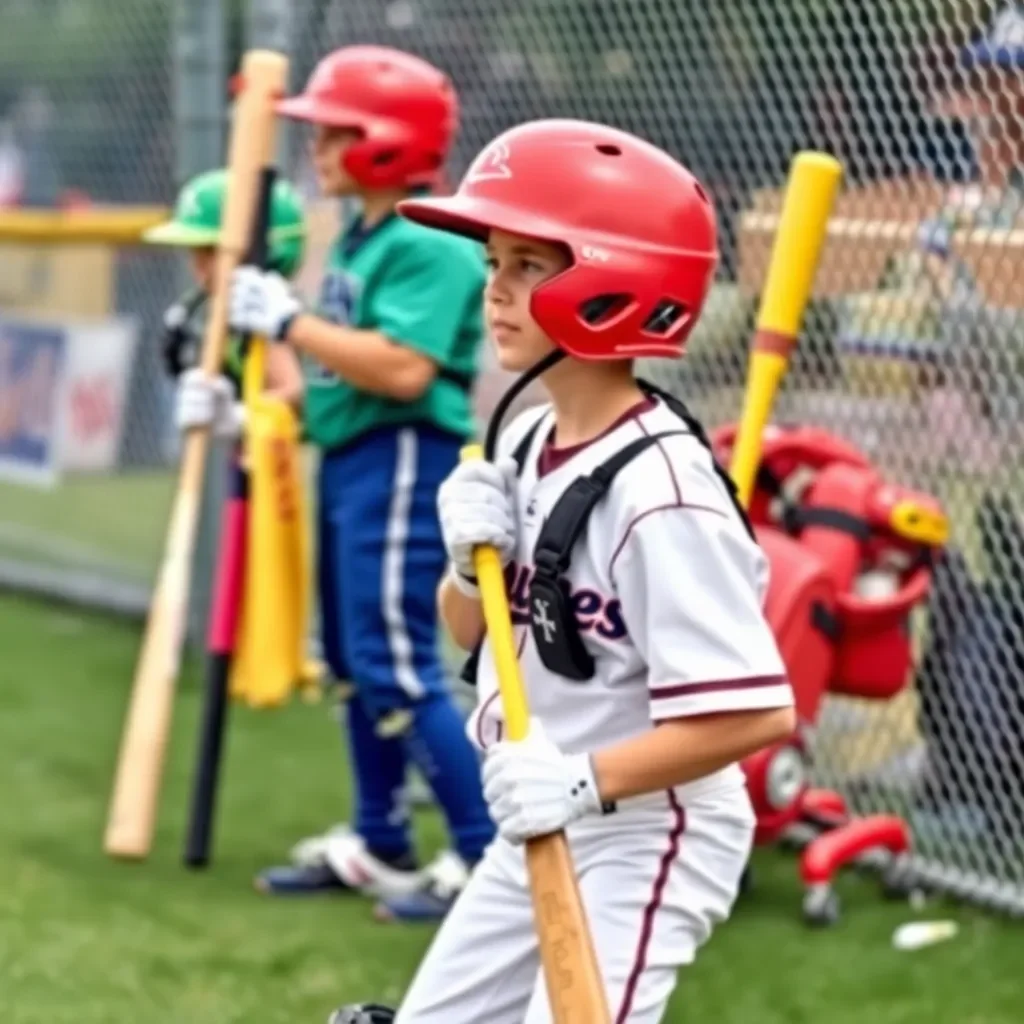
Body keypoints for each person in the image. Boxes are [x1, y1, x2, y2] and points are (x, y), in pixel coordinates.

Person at [329, 118, 797, 1023]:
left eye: (525, 267)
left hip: (646, 831)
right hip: (540, 814)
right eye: (494, 261)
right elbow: (472, 633)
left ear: (612, 284)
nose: (492, 290)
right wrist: (469, 571)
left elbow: (753, 711)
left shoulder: (661, 493)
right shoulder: (530, 435)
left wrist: (581, 779)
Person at [220, 45, 495, 920]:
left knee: (396, 660)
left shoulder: (428, 239)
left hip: (403, 458)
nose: (318, 152)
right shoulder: (366, 235)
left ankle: (485, 854)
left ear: (384, 142)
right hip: (351, 458)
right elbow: (335, 382)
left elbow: (404, 369)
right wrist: (254, 405)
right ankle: (380, 841)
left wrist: (292, 321)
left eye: (335, 135)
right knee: (352, 661)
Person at [143, 166, 307, 414]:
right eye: (194, 252)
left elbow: (296, 394)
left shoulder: (266, 317)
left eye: (209, 251)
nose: (197, 265)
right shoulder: (230, 314)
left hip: (281, 450)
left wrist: (236, 416)